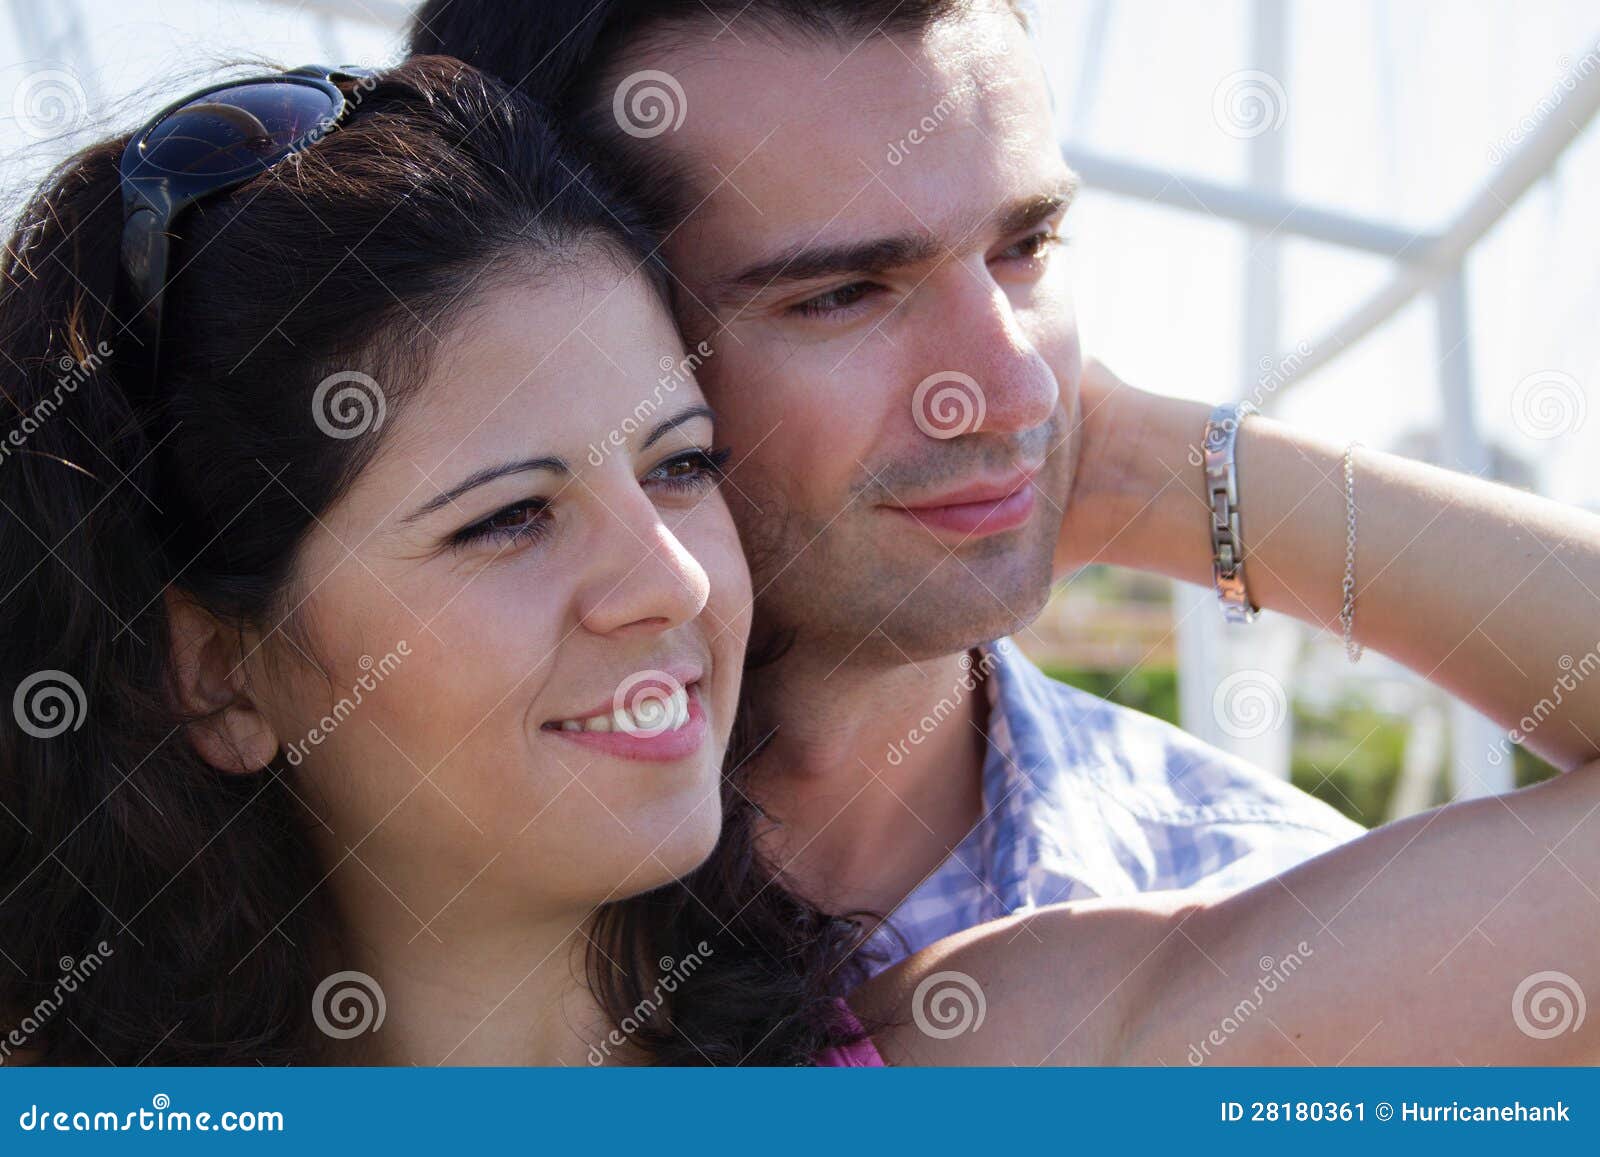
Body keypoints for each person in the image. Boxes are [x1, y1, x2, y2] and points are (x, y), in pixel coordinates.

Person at [408, 0, 1374, 976]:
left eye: (1026, 247)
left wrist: (1162, 473)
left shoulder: (1274, 905)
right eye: (840, 294)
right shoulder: (330, 930)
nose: (1017, 391)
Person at [0, 57, 862, 1066]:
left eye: (680, 464)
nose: (675, 580)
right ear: (219, 678)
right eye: (509, 518)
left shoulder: (1002, 1036)